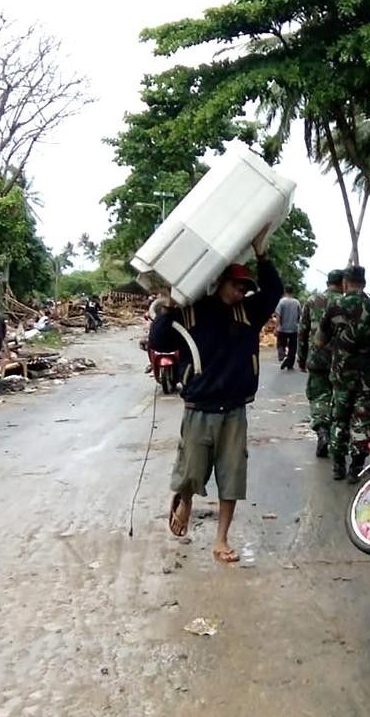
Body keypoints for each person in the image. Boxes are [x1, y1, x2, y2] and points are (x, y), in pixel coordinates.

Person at [149, 233, 281, 561]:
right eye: (237, 286)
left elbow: (274, 292)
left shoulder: (248, 313)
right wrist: (168, 307)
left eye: (245, 288)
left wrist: (262, 255)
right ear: (221, 282)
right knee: (191, 471)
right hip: (199, 407)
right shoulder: (192, 311)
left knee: (231, 477)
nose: (241, 292)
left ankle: (221, 539)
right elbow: (160, 342)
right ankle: (186, 499)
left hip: (234, 409)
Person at [319, 266, 370, 482]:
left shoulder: (334, 306)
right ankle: (355, 468)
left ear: (345, 283)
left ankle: (338, 465)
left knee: (339, 418)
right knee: (363, 423)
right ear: (364, 283)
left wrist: (338, 351)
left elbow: (319, 340)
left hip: (340, 376)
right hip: (367, 377)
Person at [297, 270, 344, 458]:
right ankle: (336, 435)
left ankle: (322, 431)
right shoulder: (345, 302)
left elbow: (303, 331)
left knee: (318, 396)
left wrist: (301, 357)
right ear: (342, 283)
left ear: (327, 282)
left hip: (317, 356)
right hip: (340, 358)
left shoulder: (312, 301)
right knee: (338, 396)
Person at [274, 286, 301, 371]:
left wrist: (276, 327)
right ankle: (290, 364)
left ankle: (283, 356)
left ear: (285, 291)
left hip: (283, 328)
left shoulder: (281, 302)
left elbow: (278, 315)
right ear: (292, 292)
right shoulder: (297, 302)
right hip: (294, 328)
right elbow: (300, 315)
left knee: (281, 344)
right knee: (293, 347)